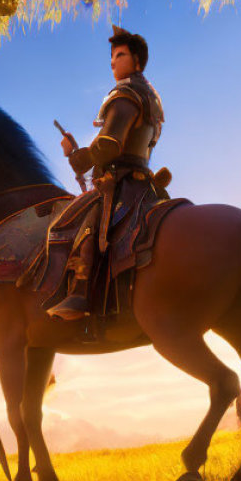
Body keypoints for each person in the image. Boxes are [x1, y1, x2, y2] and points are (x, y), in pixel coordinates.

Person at [47, 25, 165, 321]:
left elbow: (110, 144)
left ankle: (80, 292)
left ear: (136, 61)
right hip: (144, 181)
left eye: (120, 55)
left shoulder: (125, 94)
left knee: (77, 220)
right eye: (112, 56)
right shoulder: (150, 96)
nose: (113, 61)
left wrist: (75, 156)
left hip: (122, 182)